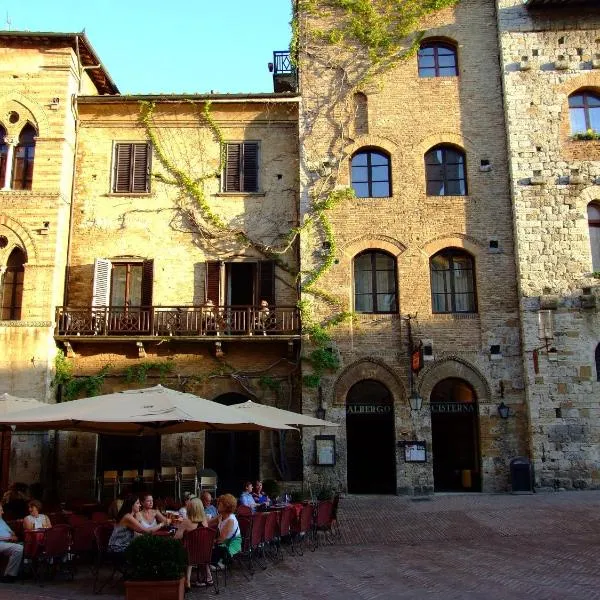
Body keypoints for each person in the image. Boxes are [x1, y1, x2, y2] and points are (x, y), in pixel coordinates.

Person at [174, 497, 209, 589]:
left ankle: (184, 580)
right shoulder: (205, 521)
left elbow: (176, 538)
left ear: (190, 509)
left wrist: (179, 528)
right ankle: (190, 580)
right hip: (204, 554)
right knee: (191, 548)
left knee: (181, 549)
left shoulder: (186, 522)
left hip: (189, 554)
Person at [208, 494, 241, 570]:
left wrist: (210, 542)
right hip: (224, 543)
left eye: (220, 503)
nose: (217, 504)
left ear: (226, 506)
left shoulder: (230, 520)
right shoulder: (221, 515)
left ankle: (221, 563)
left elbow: (221, 540)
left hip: (232, 544)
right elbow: (208, 523)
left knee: (210, 552)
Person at [0, 502, 23, 583]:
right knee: (18, 548)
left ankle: (21, 572)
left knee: (25, 546)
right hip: (1, 543)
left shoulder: (1, 520)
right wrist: (8, 538)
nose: (3, 512)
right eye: (1, 510)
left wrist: (13, 535)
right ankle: (9, 576)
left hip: (6, 542)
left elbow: (11, 532)